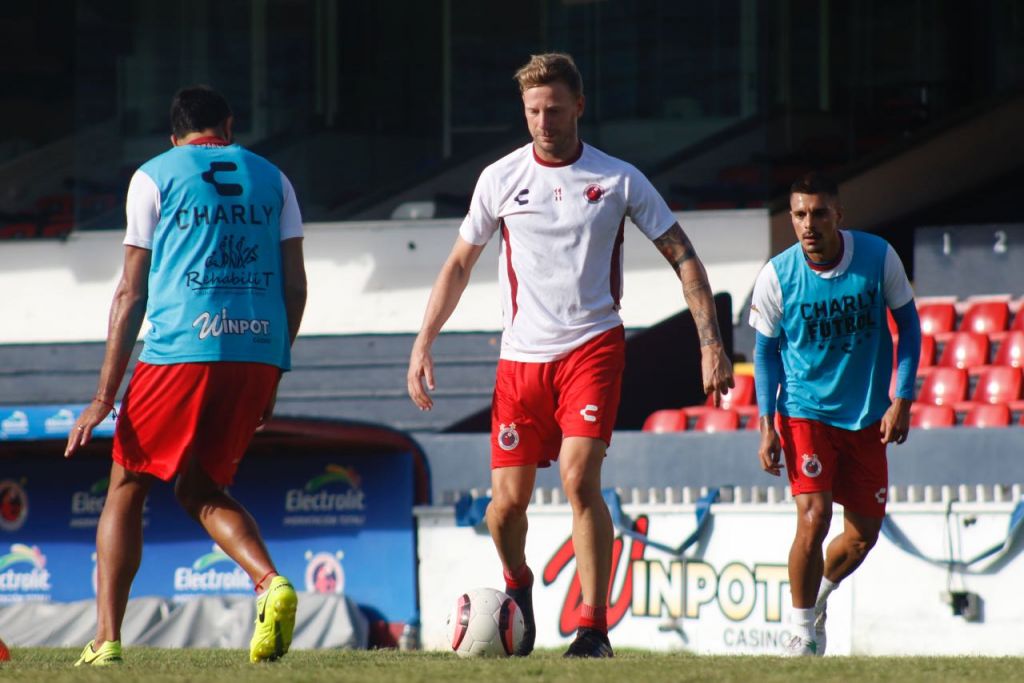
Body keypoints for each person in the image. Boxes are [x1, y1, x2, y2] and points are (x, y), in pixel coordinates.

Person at [407, 53, 734, 658]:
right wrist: (424, 341)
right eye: (533, 110)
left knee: (581, 479)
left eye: (554, 110)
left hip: (592, 348)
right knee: (505, 509)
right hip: (519, 363)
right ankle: (519, 587)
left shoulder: (619, 179)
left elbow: (684, 256)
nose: (543, 121)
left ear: (579, 107)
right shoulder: (499, 178)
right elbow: (458, 264)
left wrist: (710, 343)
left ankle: (593, 629)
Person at [64, 86, 307, 666]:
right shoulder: (275, 177)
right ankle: (270, 582)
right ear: (228, 125)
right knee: (199, 488)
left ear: (175, 136)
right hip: (255, 351)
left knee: (126, 486)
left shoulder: (154, 175)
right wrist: (274, 367)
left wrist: (103, 396)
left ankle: (107, 641)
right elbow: (295, 286)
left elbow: (131, 289)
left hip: (180, 349)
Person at [749, 172, 921, 656]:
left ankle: (820, 597)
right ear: (791, 218)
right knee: (815, 514)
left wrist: (901, 398)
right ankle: (801, 632)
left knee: (863, 536)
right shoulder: (776, 276)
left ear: (838, 215)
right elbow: (764, 355)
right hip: (805, 412)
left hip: (866, 415)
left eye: (819, 213)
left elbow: (909, 327)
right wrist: (766, 426)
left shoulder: (877, 256)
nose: (809, 223)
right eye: (800, 214)